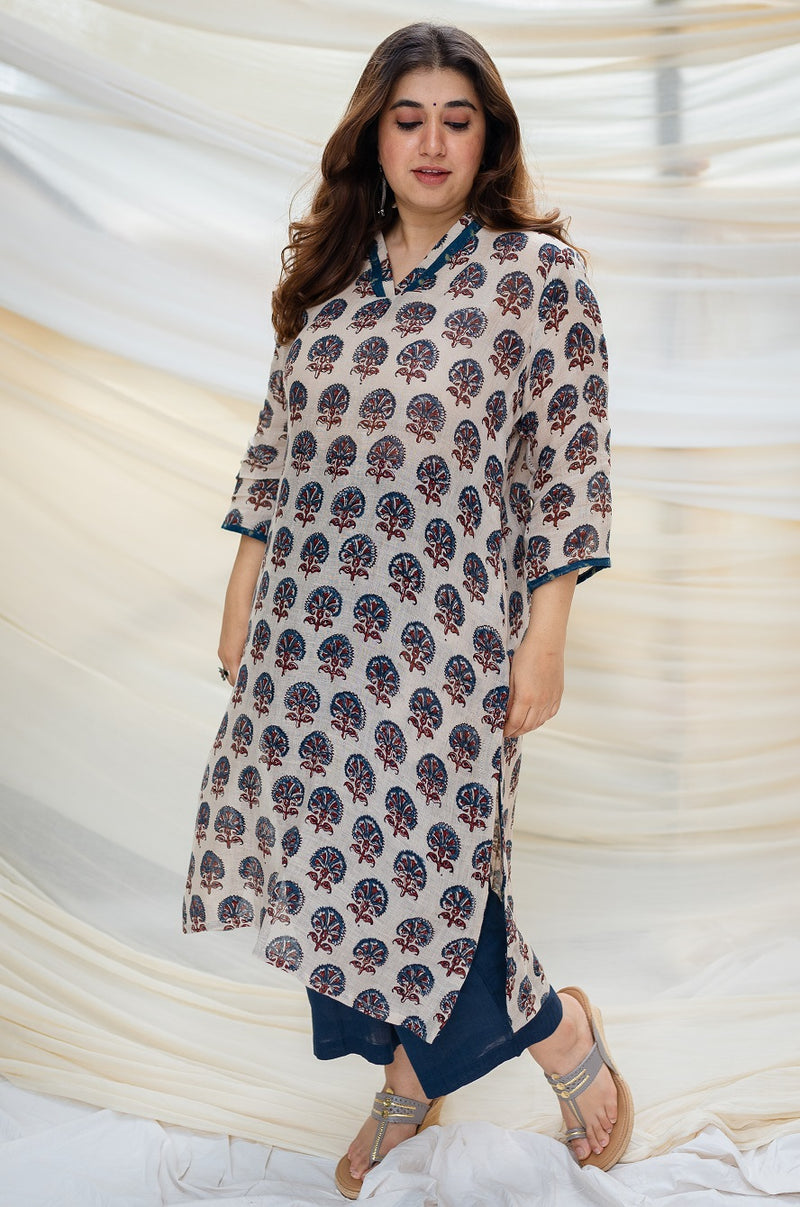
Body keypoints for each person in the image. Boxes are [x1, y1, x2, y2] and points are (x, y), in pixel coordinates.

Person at [183, 21, 631, 1199]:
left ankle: (555, 1031)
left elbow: (566, 471)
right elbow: (274, 452)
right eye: (408, 118)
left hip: (448, 637)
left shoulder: (536, 279)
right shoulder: (329, 282)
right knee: (334, 853)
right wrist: (241, 596)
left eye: (456, 119)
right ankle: (404, 1075)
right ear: (372, 137)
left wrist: (545, 636)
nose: (431, 142)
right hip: (309, 631)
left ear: (489, 139)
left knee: (437, 861)